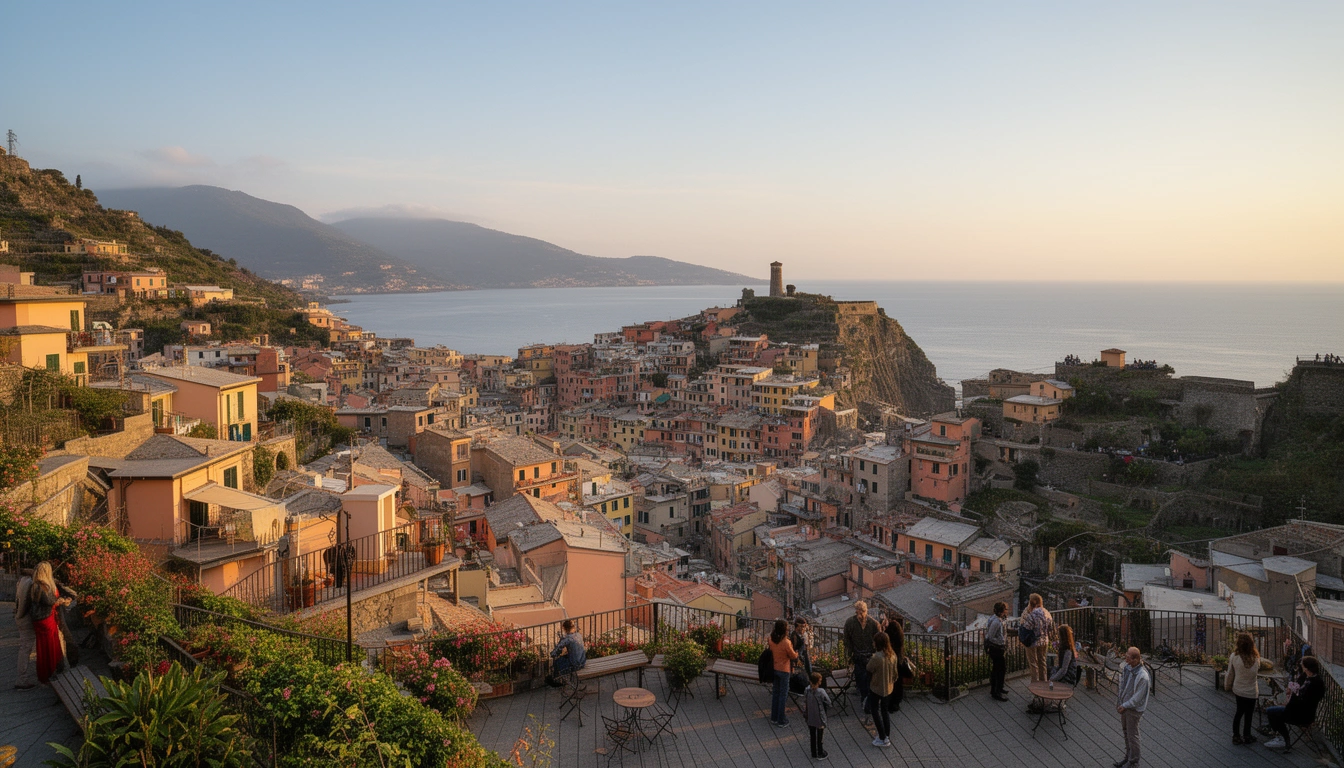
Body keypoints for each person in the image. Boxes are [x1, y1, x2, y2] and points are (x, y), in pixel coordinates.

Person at [1265, 656, 1325, 750]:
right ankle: (1280, 735)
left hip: (1299, 715)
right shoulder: (1313, 678)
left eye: (1302, 666)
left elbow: (1301, 700)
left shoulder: (1312, 684)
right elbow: (1298, 683)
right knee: (1275, 711)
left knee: (1270, 711)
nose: (1301, 667)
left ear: (1306, 668)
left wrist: (1287, 704)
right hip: (1303, 712)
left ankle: (1283, 739)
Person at [29, 562, 71, 685]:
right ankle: (51, 671)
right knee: (50, 646)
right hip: (46, 619)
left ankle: (44, 673)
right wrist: (62, 601)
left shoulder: (34, 585)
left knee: (42, 647)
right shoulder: (44, 586)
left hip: (37, 620)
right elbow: (50, 602)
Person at [842, 600, 881, 716]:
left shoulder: (874, 624)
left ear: (866, 611)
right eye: (857, 613)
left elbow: (880, 640)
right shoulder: (850, 623)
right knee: (861, 680)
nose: (860, 616)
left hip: (871, 657)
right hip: (858, 656)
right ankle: (864, 702)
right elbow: (846, 640)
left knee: (872, 680)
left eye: (862, 613)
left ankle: (871, 702)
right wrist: (850, 655)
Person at [1114, 646, 1150, 768]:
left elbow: (1137, 699)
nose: (1125, 657)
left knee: (1132, 735)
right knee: (1126, 733)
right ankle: (1128, 757)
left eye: (1128, 656)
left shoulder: (1143, 676)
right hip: (1124, 706)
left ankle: (1134, 762)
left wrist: (1124, 705)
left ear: (1135, 659)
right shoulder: (1127, 668)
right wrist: (1120, 702)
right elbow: (1123, 686)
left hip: (1133, 710)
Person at [1224, 631, 1259, 745]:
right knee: (1249, 714)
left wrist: (1227, 685)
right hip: (1252, 690)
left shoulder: (1234, 657)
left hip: (1239, 689)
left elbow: (1230, 673)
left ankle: (1236, 736)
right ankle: (1247, 735)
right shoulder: (1256, 658)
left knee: (1239, 712)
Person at [865, 632, 898, 748]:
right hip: (889, 688)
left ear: (877, 643)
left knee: (875, 710)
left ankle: (882, 737)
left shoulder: (876, 657)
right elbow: (895, 674)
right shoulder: (892, 655)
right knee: (885, 711)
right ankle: (886, 735)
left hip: (876, 687)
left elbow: (868, 669)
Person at [767, 619, 799, 727]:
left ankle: (774, 717)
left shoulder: (771, 639)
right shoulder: (786, 642)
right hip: (784, 670)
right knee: (783, 695)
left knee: (776, 693)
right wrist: (797, 653)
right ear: (784, 629)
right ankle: (781, 720)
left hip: (774, 668)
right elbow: (793, 656)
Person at [1021, 593, 1054, 683]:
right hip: (1044, 641)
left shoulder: (1032, 614)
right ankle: (1044, 683)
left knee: (1033, 663)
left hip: (1033, 642)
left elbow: (1027, 627)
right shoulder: (1047, 612)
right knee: (1042, 662)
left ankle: (1035, 685)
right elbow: (1051, 628)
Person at [13, 568, 36, 690]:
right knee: (26, 647)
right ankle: (22, 679)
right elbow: (27, 601)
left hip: (20, 617)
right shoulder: (30, 583)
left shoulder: (21, 581)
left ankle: (22, 677)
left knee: (24, 647)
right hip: (25, 618)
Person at [545, 619, 586, 687]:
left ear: (565, 628)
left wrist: (552, 654)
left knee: (557, 662)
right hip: (582, 661)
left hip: (575, 664)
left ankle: (556, 681)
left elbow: (555, 652)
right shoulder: (578, 635)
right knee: (563, 658)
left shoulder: (567, 638)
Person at [804, 671, 831, 759]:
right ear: (818, 681)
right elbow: (828, 701)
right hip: (819, 717)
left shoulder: (807, 690)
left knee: (812, 735)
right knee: (820, 736)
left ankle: (813, 752)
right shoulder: (821, 691)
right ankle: (820, 752)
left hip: (810, 716)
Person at [985, 601, 1008, 701]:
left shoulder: (996, 619)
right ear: (1001, 611)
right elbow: (990, 636)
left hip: (997, 648)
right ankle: (996, 691)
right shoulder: (996, 622)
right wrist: (1000, 642)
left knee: (999, 669)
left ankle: (998, 688)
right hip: (996, 648)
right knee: (999, 669)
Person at [886, 620, 908, 714]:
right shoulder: (900, 637)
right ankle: (896, 703)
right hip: (899, 660)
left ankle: (889, 702)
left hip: (890, 661)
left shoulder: (887, 637)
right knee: (898, 682)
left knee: (890, 681)